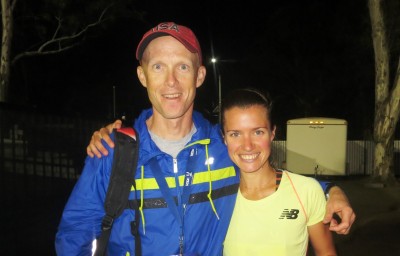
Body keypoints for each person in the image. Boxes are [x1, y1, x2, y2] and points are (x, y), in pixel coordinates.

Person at [56, 21, 354, 256]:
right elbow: (75, 234)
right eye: (158, 66)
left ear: (199, 76)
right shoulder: (113, 153)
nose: (171, 81)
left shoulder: (226, 146)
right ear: (142, 75)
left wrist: (329, 190)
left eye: (182, 67)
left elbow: (275, 179)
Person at [220, 88, 336, 255]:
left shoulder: (307, 191)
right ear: (224, 138)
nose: (247, 145)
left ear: (272, 133)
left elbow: (326, 253)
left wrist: (334, 189)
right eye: (235, 134)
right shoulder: (216, 198)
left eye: (258, 132)